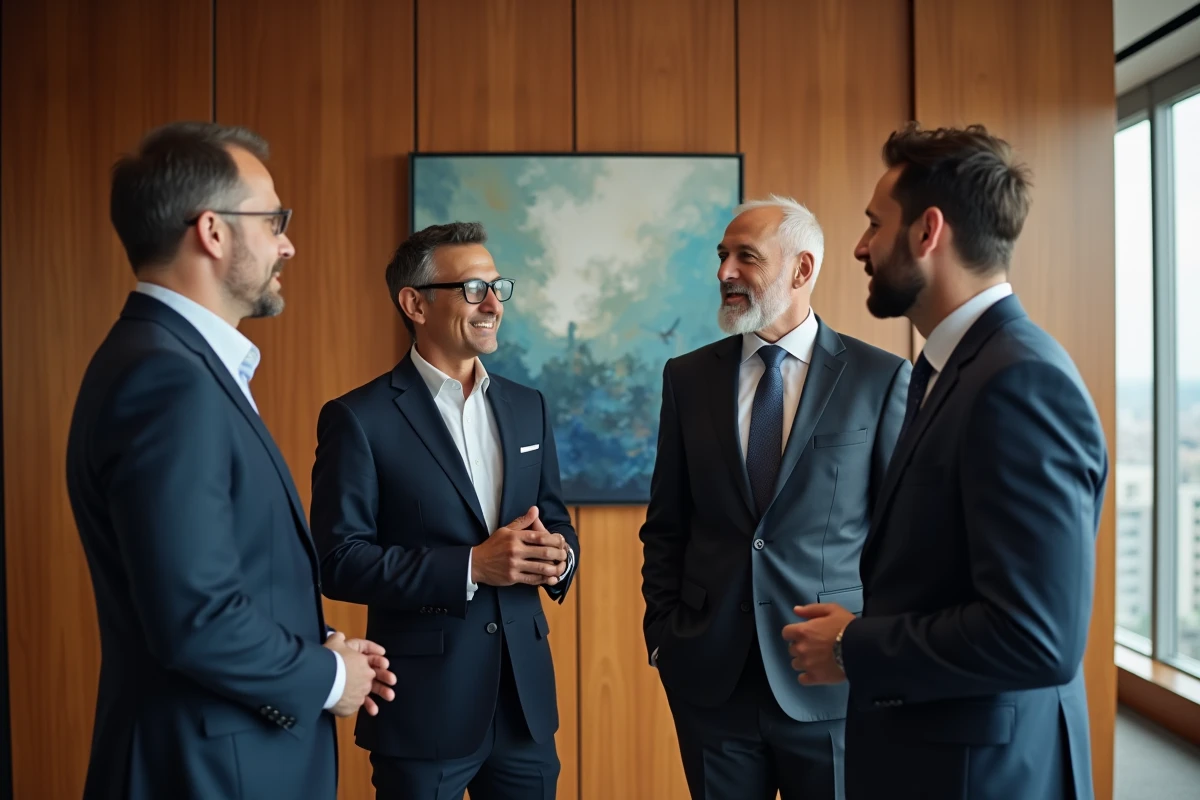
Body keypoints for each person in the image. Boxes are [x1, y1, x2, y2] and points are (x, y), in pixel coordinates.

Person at [65, 122, 395, 800]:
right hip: (209, 773)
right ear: (212, 232)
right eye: (274, 220)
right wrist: (330, 679)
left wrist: (319, 642)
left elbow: (216, 573)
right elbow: (195, 617)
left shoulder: (165, 362)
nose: (287, 244)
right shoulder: (167, 380)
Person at [784, 124, 1108, 800]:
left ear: (928, 232)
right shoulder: (953, 368)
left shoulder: (1019, 382)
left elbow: (1036, 637)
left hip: (981, 775)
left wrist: (852, 647)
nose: (861, 247)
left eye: (876, 224)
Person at [639, 195, 911, 799]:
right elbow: (667, 525)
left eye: (746, 256)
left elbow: (902, 539)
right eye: (722, 256)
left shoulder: (881, 378)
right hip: (711, 681)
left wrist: (869, 646)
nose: (724, 272)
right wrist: (663, 637)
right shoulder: (687, 378)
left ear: (801, 268)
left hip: (832, 679)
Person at [309, 221, 579, 799]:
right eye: (474, 289)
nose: (493, 305)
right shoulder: (358, 418)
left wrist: (559, 557)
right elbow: (338, 561)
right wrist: (472, 566)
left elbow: (555, 520)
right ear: (415, 304)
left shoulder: (528, 406)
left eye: (498, 288)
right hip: (422, 705)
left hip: (524, 707)